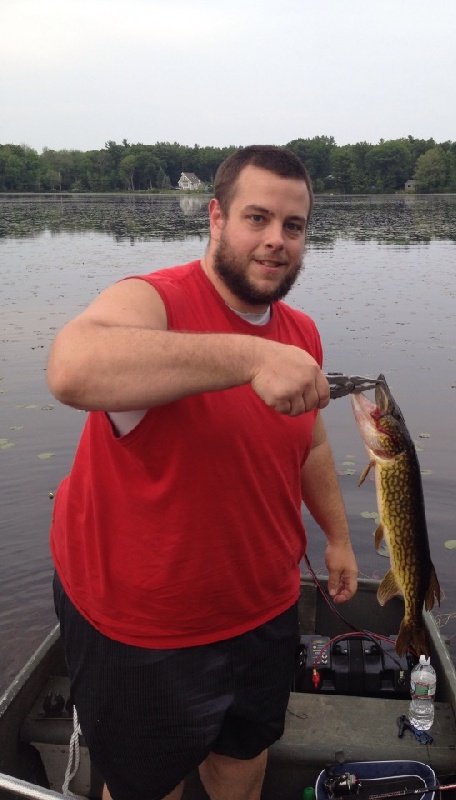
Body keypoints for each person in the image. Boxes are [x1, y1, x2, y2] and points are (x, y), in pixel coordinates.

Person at [47, 145, 358, 800]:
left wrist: (337, 536)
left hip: (262, 609)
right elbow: (73, 368)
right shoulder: (154, 300)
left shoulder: (300, 332)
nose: (277, 240)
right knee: (143, 787)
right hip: (145, 626)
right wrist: (247, 356)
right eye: (257, 218)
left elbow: (314, 445)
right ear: (215, 218)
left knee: (241, 762)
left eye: (294, 226)